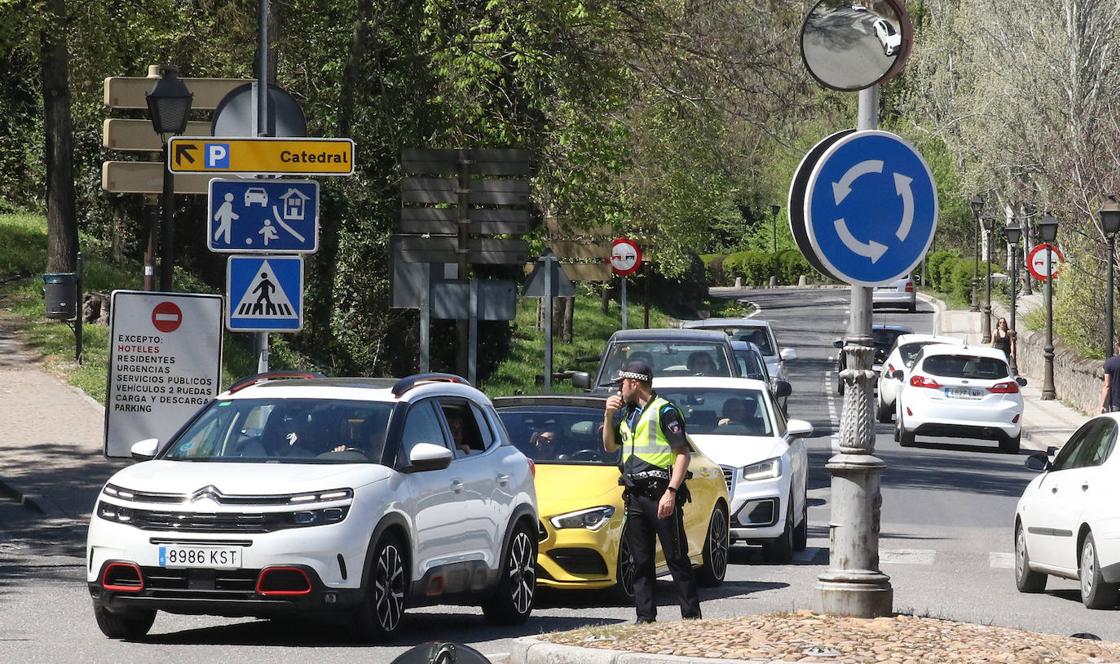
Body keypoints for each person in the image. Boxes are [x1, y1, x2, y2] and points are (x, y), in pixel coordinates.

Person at [602, 359, 701, 623]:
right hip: (634, 494)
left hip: (660, 494)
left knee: (676, 558)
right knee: (640, 561)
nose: (619, 389)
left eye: (622, 383)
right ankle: (644, 619)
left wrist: (671, 491)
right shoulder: (625, 413)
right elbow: (610, 447)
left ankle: (691, 618)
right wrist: (608, 415)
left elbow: (682, 454)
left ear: (634, 383)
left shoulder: (665, 411)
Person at [1100, 342, 1120, 413]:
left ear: (1118, 346)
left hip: (1116, 403)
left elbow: (1107, 386)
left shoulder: (1110, 363)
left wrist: (1102, 405)